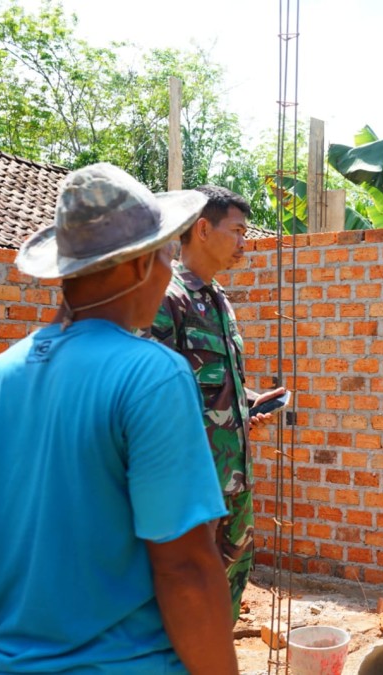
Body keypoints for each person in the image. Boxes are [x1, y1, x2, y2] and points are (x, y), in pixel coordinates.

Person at [0, 164, 239, 673]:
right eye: (163, 255)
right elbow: (185, 568)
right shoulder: (152, 376)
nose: (166, 271)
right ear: (135, 266)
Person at [146, 184, 284, 623]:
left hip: (234, 485)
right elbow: (152, 400)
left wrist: (250, 402)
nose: (245, 241)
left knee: (224, 603)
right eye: (238, 230)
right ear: (202, 229)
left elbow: (214, 383)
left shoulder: (219, 301)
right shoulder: (167, 300)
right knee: (182, 609)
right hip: (192, 493)